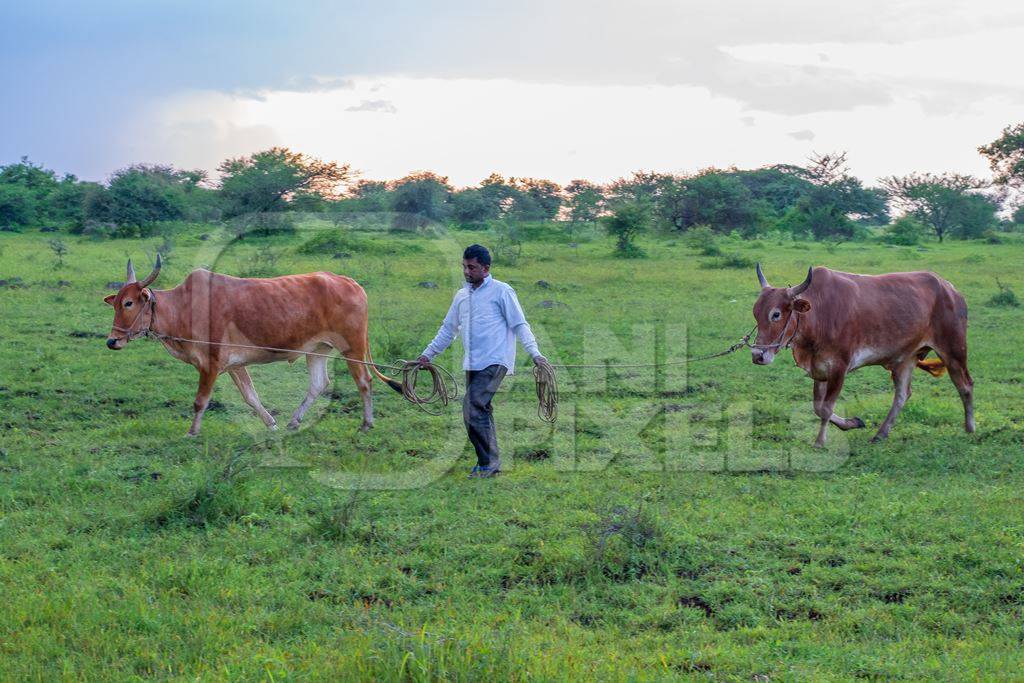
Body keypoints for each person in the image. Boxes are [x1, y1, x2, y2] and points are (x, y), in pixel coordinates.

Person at [417, 244, 546, 478]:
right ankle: (487, 461)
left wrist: (535, 354)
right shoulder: (461, 296)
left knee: (472, 406)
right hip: (472, 363)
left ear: (485, 269)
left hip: (495, 360)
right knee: (477, 411)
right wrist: (428, 354)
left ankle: (489, 463)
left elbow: (519, 324)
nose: (467, 272)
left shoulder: (502, 291)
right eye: (464, 266)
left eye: (472, 267)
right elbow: (449, 329)